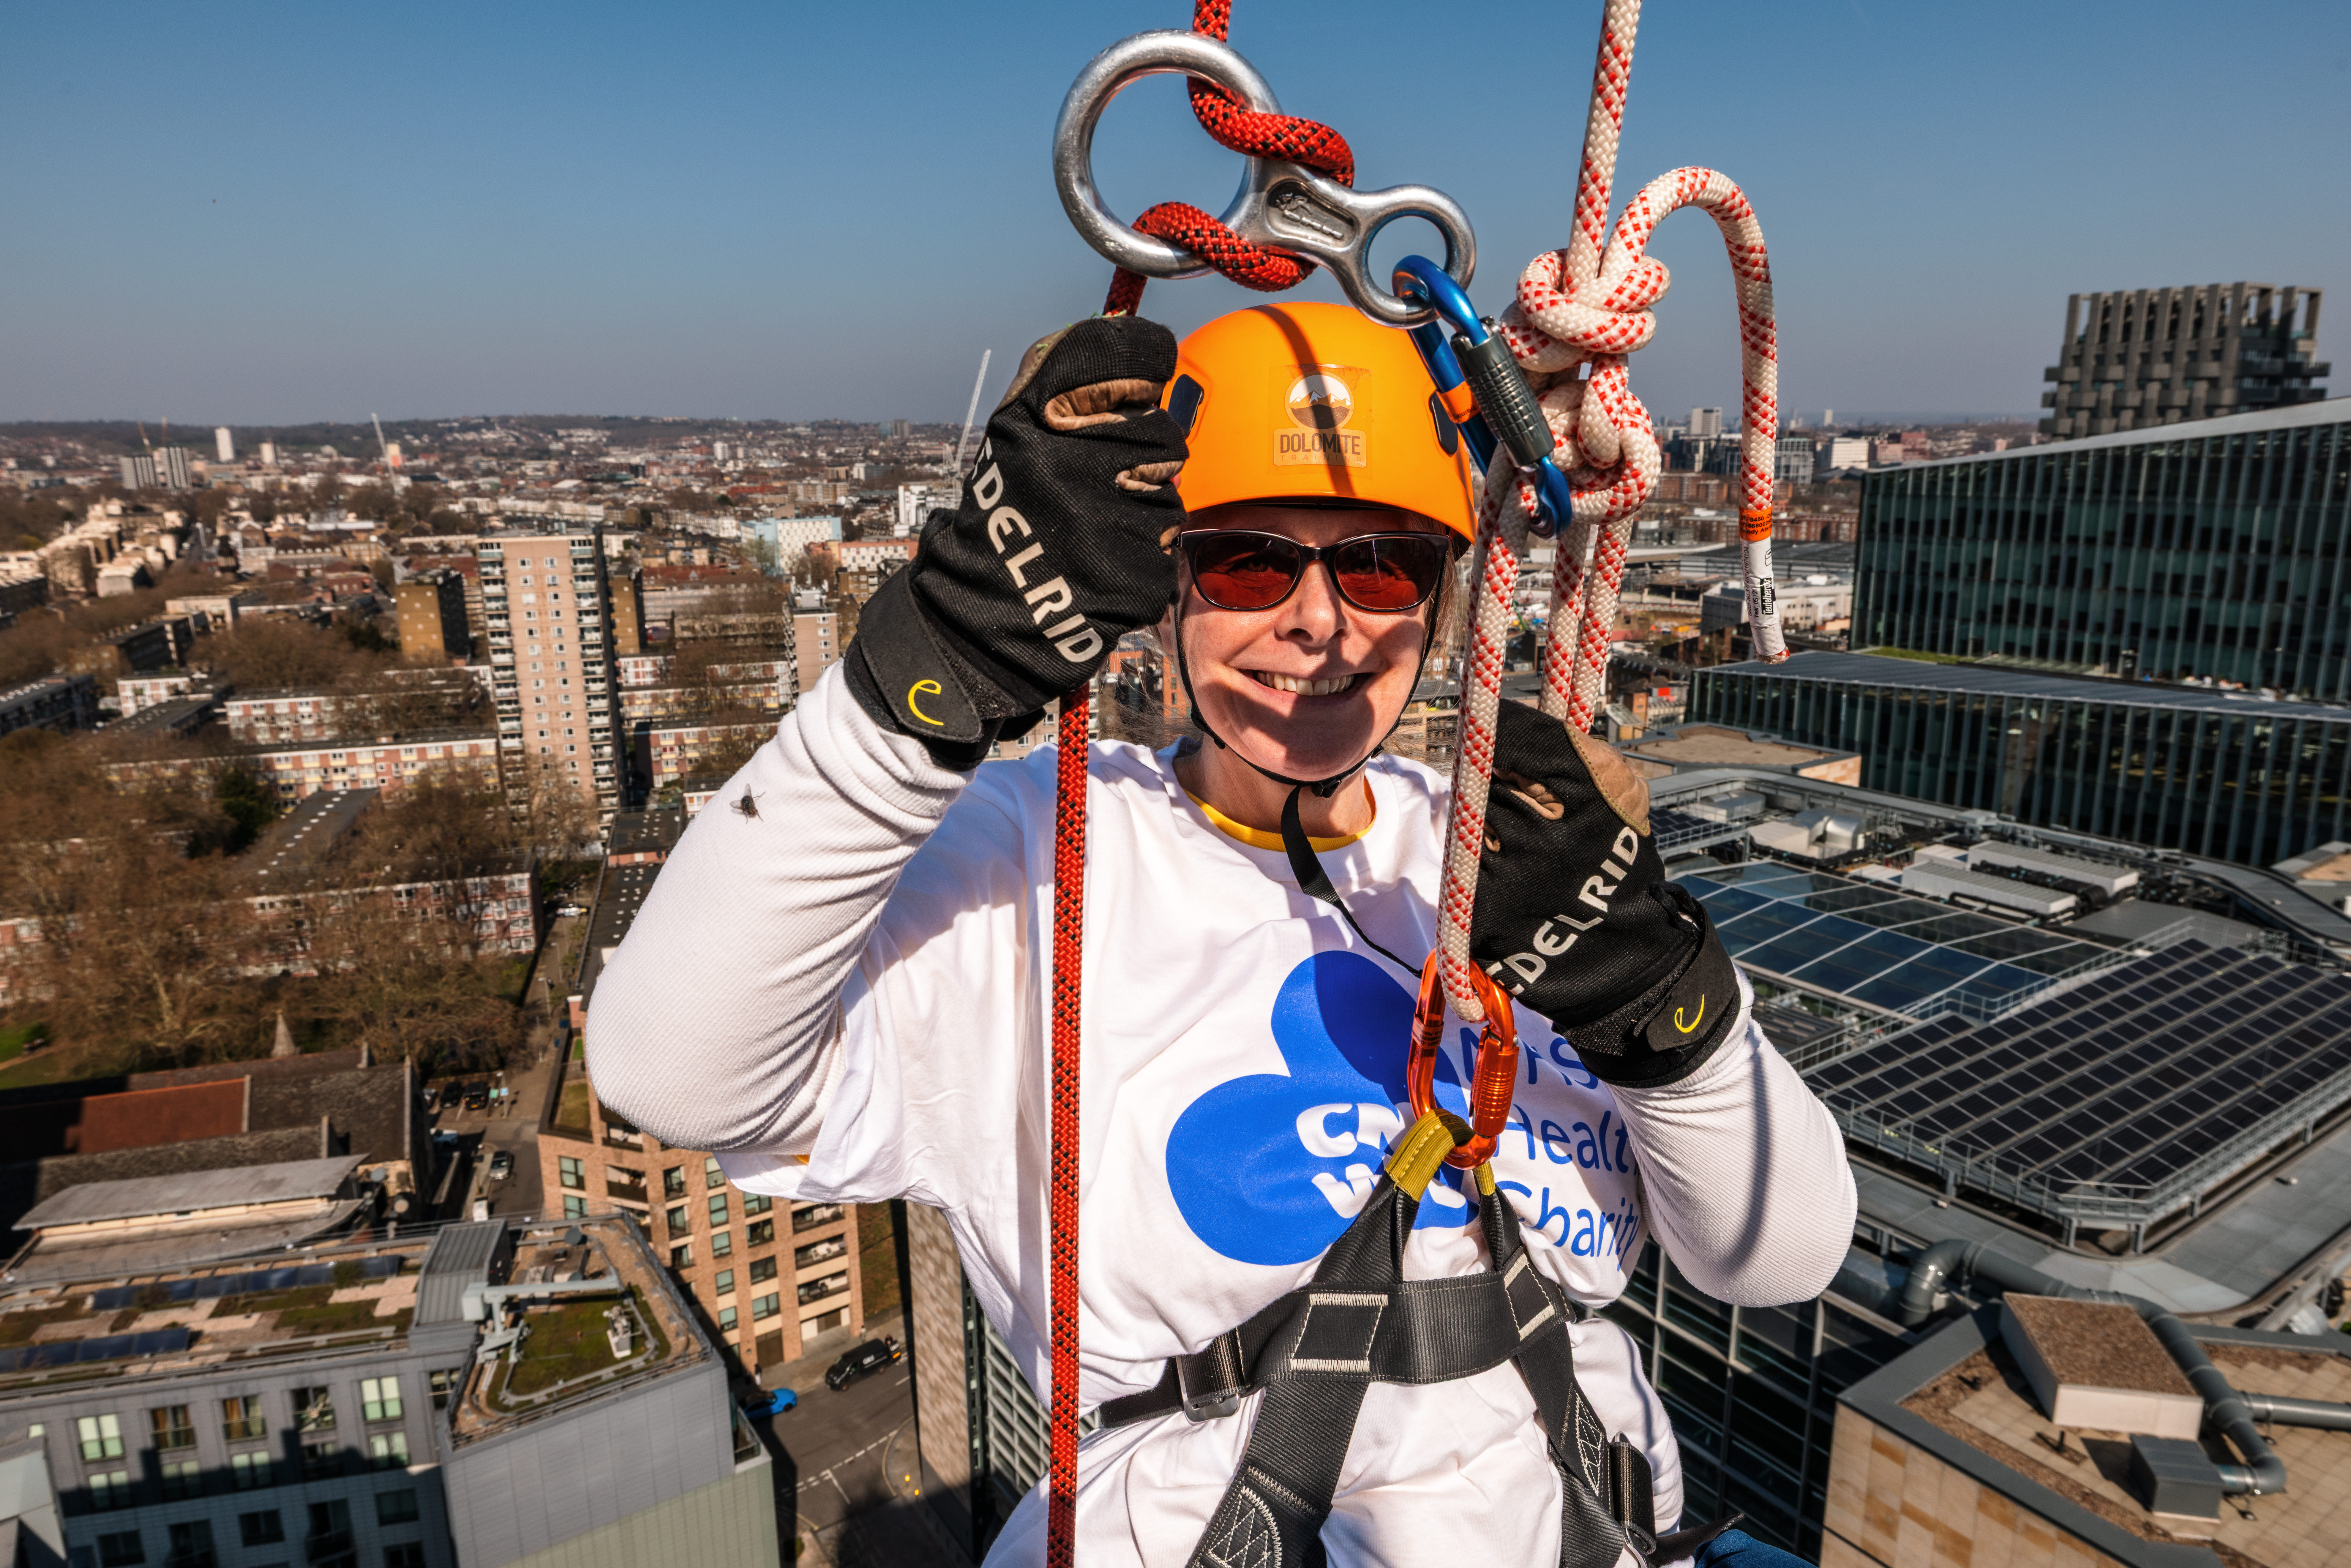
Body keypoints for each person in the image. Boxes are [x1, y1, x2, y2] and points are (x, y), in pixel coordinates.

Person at [589, 304, 1856, 1568]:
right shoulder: (1035, 867)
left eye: (1378, 567)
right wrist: (939, 659)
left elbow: (1776, 1254)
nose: (1319, 622)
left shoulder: (1514, 858)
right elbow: (670, 1070)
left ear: (1436, 597)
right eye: (1251, 562)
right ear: (1164, 589)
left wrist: (1649, 990)